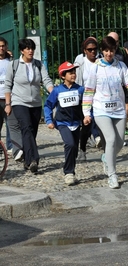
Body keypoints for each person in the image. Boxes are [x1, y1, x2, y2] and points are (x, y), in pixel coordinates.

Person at [82, 36, 128, 189]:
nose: (109, 54)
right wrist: (86, 112)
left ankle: (106, 157)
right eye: (106, 50)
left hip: (118, 110)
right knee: (110, 139)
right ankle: (112, 174)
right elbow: (89, 91)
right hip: (101, 110)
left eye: (111, 50)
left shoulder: (121, 66)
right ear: (102, 51)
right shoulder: (95, 67)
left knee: (118, 143)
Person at [4, 38, 54, 173]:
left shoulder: (38, 65)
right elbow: (7, 85)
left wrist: (54, 93)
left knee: (32, 132)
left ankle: (27, 161)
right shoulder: (14, 65)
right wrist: (8, 104)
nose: (30, 51)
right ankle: (34, 159)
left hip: (36, 103)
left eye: (32, 48)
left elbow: (46, 80)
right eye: (27, 48)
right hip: (19, 102)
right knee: (26, 128)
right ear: (22, 51)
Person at [44, 62, 84, 184]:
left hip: (76, 123)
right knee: (70, 144)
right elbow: (48, 105)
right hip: (62, 123)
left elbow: (88, 105)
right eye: (70, 72)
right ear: (63, 75)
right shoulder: (57, 91)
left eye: (74, 72)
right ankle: (68, 173)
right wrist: (49, 120)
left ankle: (71, 169)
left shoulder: (80, 89)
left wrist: (88, 116)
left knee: (74, 149)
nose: (73, 74)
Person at [74, 37, 102, 160]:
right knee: (86, 125)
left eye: (95, 49)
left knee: (100, 121)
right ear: (85, 50)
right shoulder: (81, 62)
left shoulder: (101, 62)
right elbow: (76, 79)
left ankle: (101, 141)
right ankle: (82, 148)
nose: (93, 52)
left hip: (99, 98)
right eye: (90, 49)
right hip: (84, 97)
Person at [0, 37, 13, 152]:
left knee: (10, 124)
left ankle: (10, 146)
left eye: (3, 46)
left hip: (8, 98)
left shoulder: (11, 62)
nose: (1, 48)